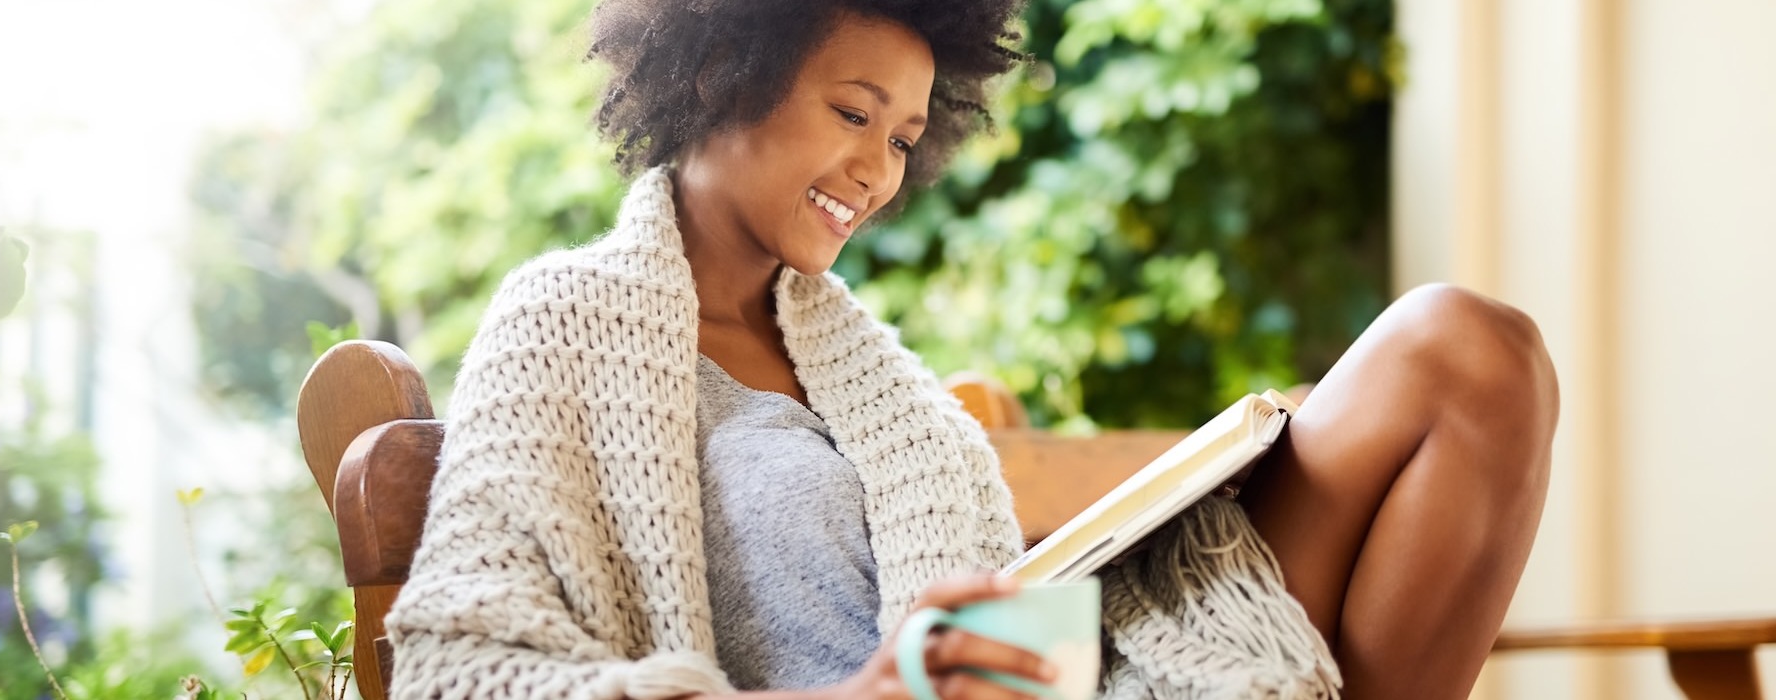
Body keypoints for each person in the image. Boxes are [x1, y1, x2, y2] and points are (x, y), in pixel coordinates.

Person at [383, 1, 1558, 698]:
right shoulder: (564, 321)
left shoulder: (886, 390)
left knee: (1466, 356)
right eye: (852, 114)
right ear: (714, 67)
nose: (877, 172)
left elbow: (1004, 635)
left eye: (902, 138)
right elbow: (456, 662)